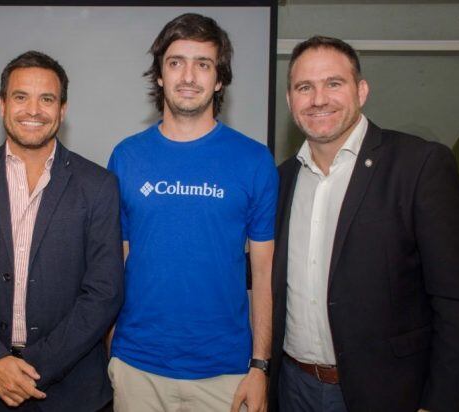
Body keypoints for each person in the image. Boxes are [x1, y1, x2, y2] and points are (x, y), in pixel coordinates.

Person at [269, 35, 459, 411]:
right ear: (290, 101)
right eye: (305, 87)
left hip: (388, 393)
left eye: (334, 83)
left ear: (361, 90)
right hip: (292, 388)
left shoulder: (419, 166)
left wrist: (441, 403)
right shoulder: (282, 179)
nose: (318, 99)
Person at [0, 50, 123, 412]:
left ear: (62, 110)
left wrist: (34, 369)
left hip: (70, 392)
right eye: (21, 97)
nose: (33, 110)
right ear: (2, 104)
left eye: (46, 99)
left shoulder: (98, 185)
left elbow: (104, 292)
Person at [107, 13, 277, 412]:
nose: (188, 76)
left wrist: (261, 366)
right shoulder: (126, 156)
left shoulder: (254, 160)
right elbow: (116, 261)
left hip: (226, 374)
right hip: (138, 368)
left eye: (203, 64)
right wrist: (111, 348)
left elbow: (266, 273)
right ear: (160, 76)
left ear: (219, 80)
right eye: (175, 62)